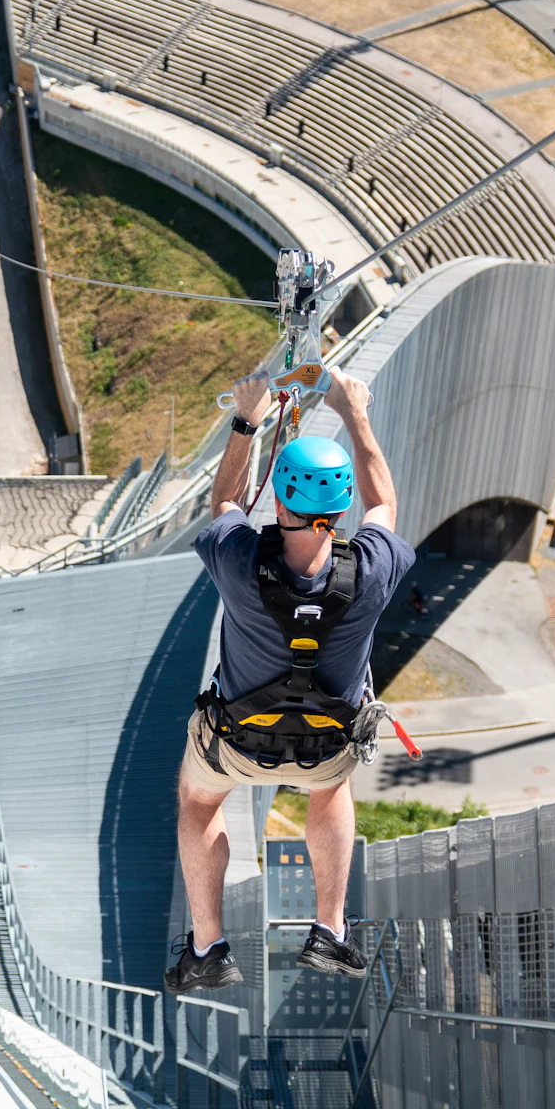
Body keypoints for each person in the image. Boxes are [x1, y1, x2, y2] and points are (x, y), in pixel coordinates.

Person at [164, 366, 414, 994]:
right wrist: (355, 412)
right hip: (325, 748)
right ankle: (330, 929)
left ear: (280, 501)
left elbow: (224, 502)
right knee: (331, 793)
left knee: (198, 801)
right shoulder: (375, 568)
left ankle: (207, 947)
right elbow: (384, 502)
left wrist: (248, 420)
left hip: (237, 743)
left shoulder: (238, 561)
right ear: (341, 506)